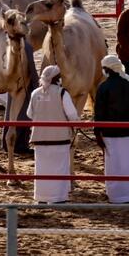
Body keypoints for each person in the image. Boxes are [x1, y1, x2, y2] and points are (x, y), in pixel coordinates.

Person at [94, 55, 129, 203]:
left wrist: (97, 132)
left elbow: (99, 113)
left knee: (114, 165)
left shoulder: (104, 87)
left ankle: (117, 196)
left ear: (107, 69)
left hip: (111, 133)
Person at [27, 64, 78, 204]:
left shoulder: (35, 93)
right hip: (60, 138)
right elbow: (72, 115)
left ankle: (42, 197)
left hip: (40, 138)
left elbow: (29, 114)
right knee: (59, 168)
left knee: (42, 169)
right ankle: (58, 198)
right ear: (57, 78)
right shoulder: (62, 93)